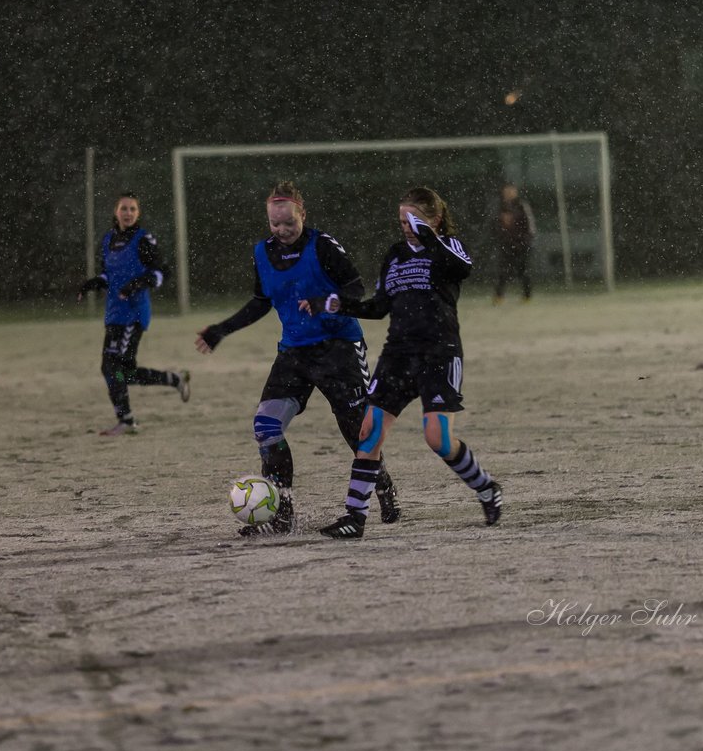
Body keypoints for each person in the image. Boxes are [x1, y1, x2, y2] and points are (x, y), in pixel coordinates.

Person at [195, 181, 400, 538]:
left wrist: (326, 300)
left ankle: (382, 484)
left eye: (289, 222)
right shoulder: (262, 252)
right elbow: (262, 301)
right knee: (266, 427)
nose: (282, 230)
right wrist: (221, 330)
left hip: (338, 348)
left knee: (357, 433)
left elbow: (355, 288)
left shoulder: (323, 245)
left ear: (303, 214)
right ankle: (282, 510)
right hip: (293, 353)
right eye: (275, 224)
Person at [301, 186, 504, 539]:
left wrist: (428, 235)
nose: (406, 227)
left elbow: (463, 268)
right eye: (401, 220)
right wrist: (332, 303)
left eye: (413, 219)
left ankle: (486, 488)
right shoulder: (395, 255)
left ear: (435, 219)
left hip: (439, 353)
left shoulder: (447, 247)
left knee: (437, 438)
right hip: (398, 355)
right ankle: (355, 517)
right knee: (369, 430)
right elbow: (378, 307)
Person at [78, 192, 190, 436]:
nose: (128, 213)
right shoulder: (108, 239)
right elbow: (109, 275)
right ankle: (174, 380)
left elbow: (161, 272)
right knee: (123, 372)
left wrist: (137, 284)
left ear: (138, 213)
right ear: (115, 212)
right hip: (113, 314)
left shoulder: (143, 240)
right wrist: (95, 283)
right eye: (123, 208)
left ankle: (126, 420)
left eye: (132, 209)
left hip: (134, 314)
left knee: (111, 368)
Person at [493, 182, 535, 304]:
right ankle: (499, 296)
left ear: (515, 192)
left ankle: (527, 296)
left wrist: (525, 240)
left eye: (511, 191)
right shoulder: (500, 207)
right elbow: (495, 224)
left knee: (524, 270)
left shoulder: (522, 206)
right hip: (506, 244)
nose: (509, 193)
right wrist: (500, 237)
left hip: (522, 244)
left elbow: (530, 225)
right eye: (506, 191)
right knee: (503, 271)